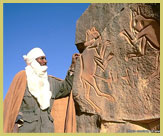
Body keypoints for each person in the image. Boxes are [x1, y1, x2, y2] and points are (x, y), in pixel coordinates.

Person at [3, 47, 79, 133]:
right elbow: (12, 106)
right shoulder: (22, 78)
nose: (45, 61)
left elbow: (66, 87)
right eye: (42, 58)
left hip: (47, 130)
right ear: (33, 61)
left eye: (45, 58)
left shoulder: (50, 82)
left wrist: (73, 66)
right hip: (26, 130)